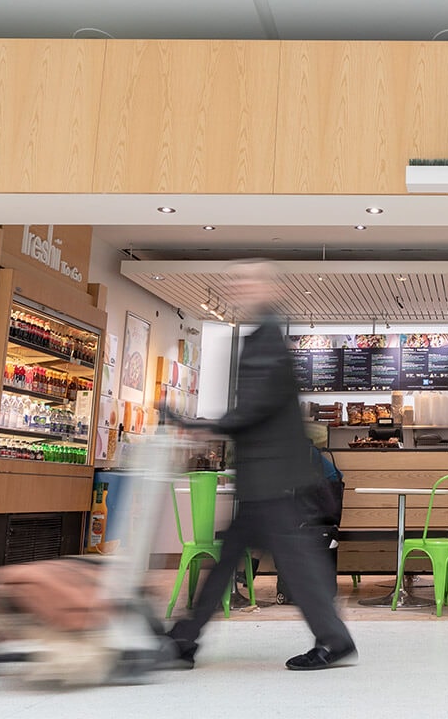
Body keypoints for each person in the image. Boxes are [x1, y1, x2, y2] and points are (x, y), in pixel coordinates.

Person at [164, 261, 355, 671]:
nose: (236, 286)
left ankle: (335, 640)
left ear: (268, 288)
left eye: (246, 280)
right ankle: (185, 637)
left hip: (274, 479)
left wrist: (205, 425)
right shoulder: (262, 336)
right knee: (233, 560)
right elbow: (255, 407)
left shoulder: (266, 339)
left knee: (294, 565)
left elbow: (256, 406)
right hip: (267, 477)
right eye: (234, 279)